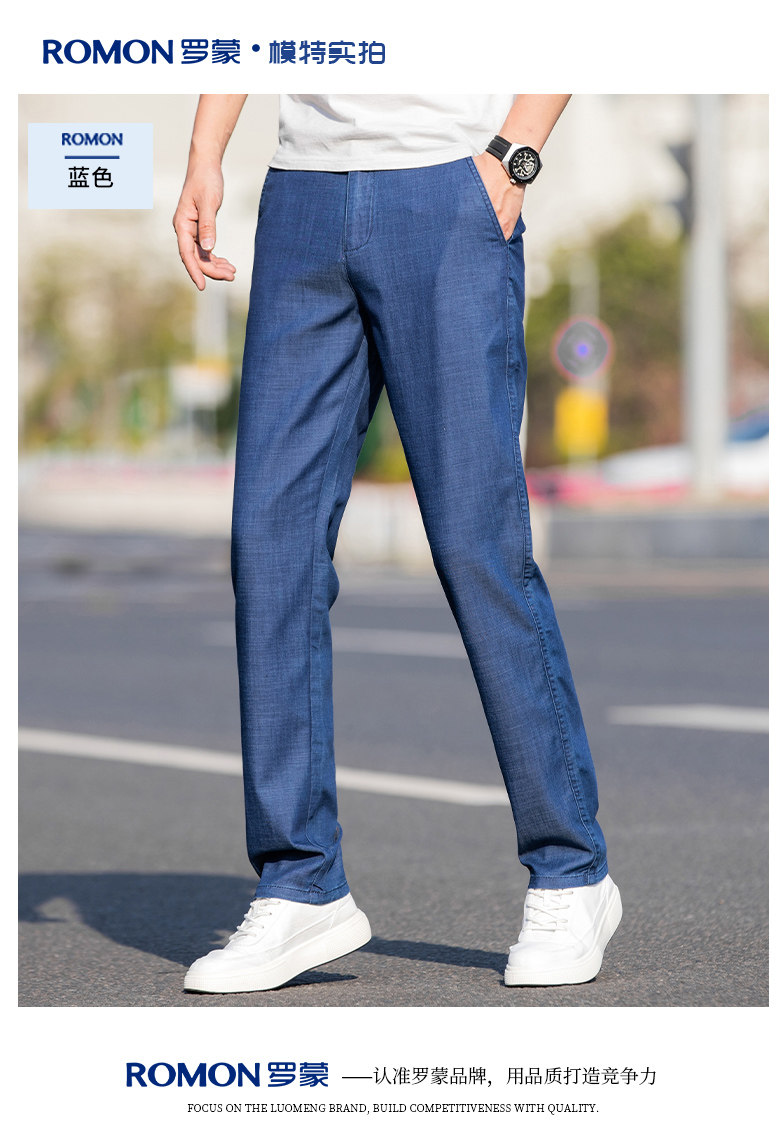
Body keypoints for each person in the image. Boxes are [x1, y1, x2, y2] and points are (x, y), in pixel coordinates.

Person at [173, 94, 621, 993]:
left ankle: (572, 873)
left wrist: (513, 158)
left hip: (447, 184)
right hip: (301, 196)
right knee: (270, 546)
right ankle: (301, 881)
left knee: (476, 545)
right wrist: (204, 150)